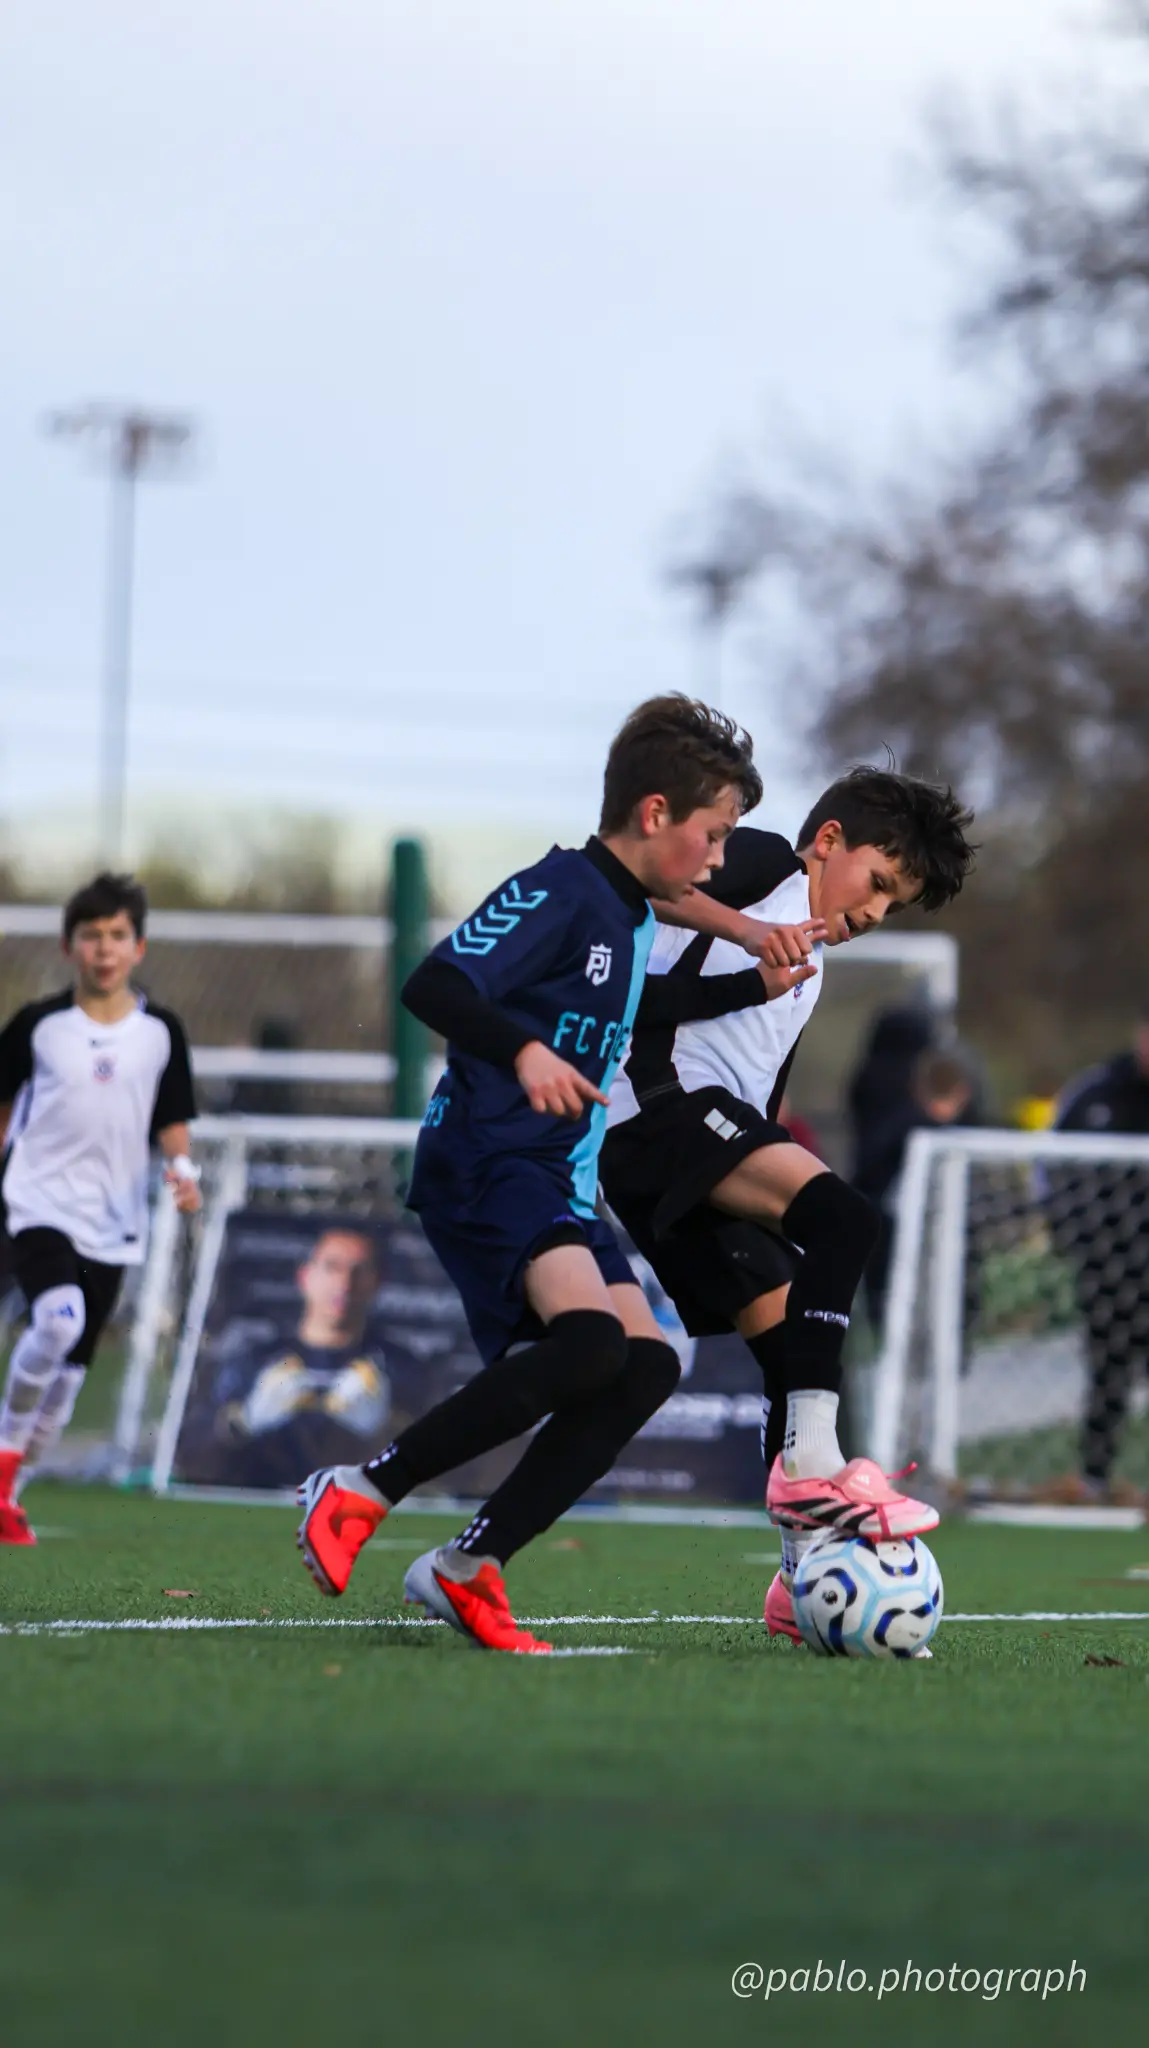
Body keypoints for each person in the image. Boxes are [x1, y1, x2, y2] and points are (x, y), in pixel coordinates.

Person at [295, 695, 820, 1651]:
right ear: (653, 815)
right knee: (588, 1348)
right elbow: (434, 983)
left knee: (645, 1364)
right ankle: (358, 1489)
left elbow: (651, 991)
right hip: (490, 1159)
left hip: (553, 1177)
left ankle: (466, 1569)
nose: (717, 859)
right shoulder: (559, 891)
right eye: (713, 835)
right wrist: (526, 1055)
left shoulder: (623, 910)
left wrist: (754, 973)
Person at [599, 768, 976, 1643]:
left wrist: (771, 1169)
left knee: (790, 1350)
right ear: (830, 840)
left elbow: (759, 1093)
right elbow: (655, 890)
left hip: (685, 1137)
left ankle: (797, 1578)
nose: (877, 911)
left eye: (897, 903)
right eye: (879, 882)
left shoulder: (803, 969)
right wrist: (738, 922)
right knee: (846, 1220)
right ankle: (814, 1463)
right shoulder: (767, 861)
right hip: (655, 1106)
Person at [0, 872, 200, 1542]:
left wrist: (183, 1170)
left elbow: (172, 1118)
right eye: (91, 936)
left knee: (68, 1377)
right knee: (57, 1322)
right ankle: (2, 1466)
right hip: (37, 1203)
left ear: (138, 947)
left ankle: (11, 1493)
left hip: (115, 1224)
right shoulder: (39, 1027)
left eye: (117, 935)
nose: (104, 949)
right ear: (69, 946)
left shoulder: (160, 1032)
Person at [1042, 1013, 1149, 1505]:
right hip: (1110, 1266)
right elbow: (1051, 1163)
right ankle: (1095, 1476)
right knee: (1109, 1369)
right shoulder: (1097, 1091)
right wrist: (1071, 1235)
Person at [193, 1226, 392, 1489]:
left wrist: (386, 1435)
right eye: (332, 1267)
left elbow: (451, 1474)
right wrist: (243, 1422)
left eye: (358, 1271)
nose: (344, 1283)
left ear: (376, 1283)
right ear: (305, 1276)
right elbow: (188, 1460)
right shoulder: (253, 1361)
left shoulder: (399, 1367)